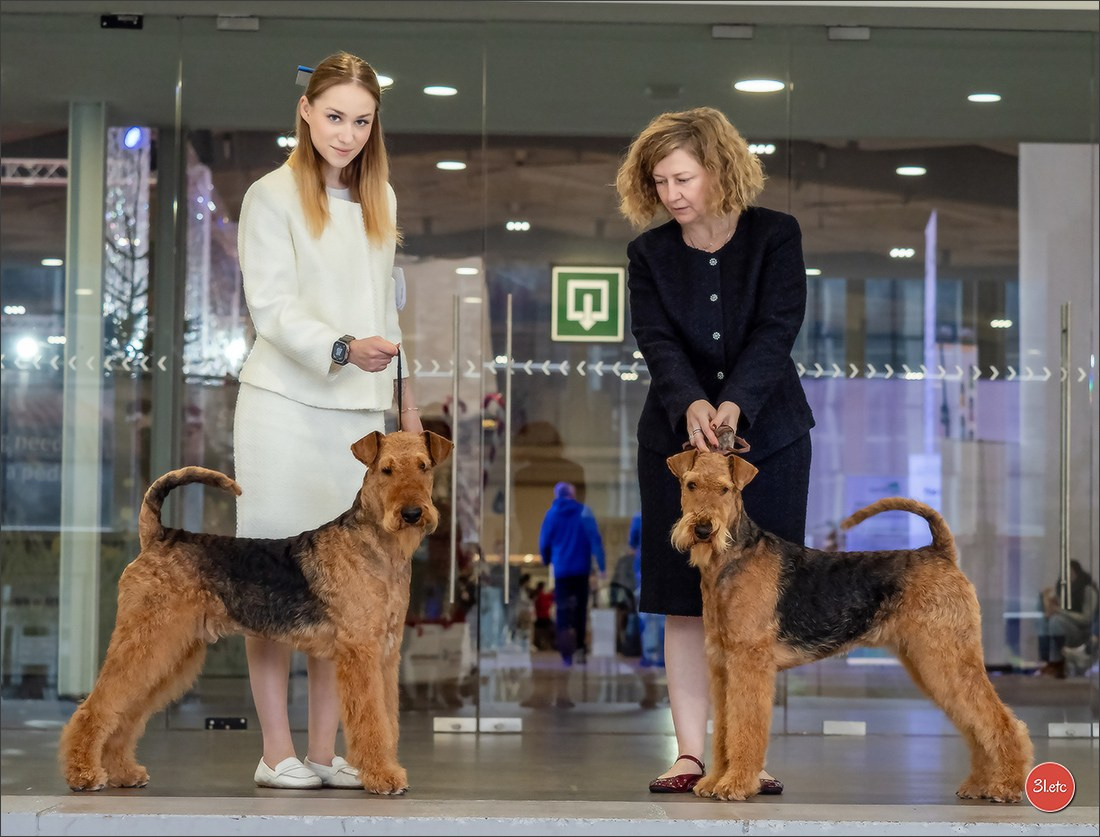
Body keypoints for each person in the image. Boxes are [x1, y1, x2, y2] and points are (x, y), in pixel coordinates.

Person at [233, 51, 422, 790]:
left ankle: (322, 749)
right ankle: (275, 748)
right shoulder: (269, 195)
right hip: (283, 410)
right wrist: (343, 346)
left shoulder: (384, 201)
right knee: (274, 582)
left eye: (362, 120)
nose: (347, 133)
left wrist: (406, 401)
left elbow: (389, 313)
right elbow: (272, 310)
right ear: (306, 112)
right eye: (335, 116)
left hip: (361, 416)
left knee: (345, 593)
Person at [615, 107, 815, 795]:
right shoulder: (648, 255)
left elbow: (778, 326)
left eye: (683, 177)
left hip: (774, 439)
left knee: (757, 605)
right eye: (659, 180)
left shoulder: (776, 236)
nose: (671, 192)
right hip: (675, 447)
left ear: (720, 169)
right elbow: (656, 340)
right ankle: (692, 753)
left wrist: (737, 403)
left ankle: (748, 755)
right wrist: (691, 402)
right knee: (682, 598)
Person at [538, 481, 607, 667]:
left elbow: (544, 542)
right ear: (573, 494)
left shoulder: (551, 515)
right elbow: (596, 540)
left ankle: (566, 653)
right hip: (581, 569)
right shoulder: (584, 512)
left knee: (562, 611)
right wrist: (601, 567)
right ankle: (580, 650)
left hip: (561, 571)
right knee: (579, 610)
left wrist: (547, 560)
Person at [1037, 559, 1099, 678]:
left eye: (1070, 572)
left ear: (1076, 572)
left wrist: (1060, 611)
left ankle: (1060, 660)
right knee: (1049, 622)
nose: (1067, 576)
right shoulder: (1062, 588)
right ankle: (1055, 661)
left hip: (1085, 633)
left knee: (1056, 621)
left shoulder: (1088, 590)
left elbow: (1087, 619)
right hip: (1068, 628)